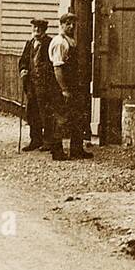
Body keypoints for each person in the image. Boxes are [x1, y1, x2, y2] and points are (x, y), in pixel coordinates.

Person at [43, 13, 92, 161]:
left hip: (73, 85)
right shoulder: (59, 42)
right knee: (61, 118)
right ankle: (57, 152)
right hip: (61, 86)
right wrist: (64, 89)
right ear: (61, 24)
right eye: (68, 24)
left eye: (73, 24)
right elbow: (58, 69)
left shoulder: (71, 40)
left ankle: (76, 150)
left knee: (77, 117)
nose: (71, 26)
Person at [18, 19, 50, 152]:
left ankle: (48, 141)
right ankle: (35, 140)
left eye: (39, 28)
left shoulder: (49, 43)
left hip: (45, 84)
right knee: (32, 112)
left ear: (44, 30)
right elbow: (23, 60)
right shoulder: (30, 43)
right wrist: (23, 70)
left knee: (46, 112)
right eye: (35, 27)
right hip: (31, 84)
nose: (36, 30)